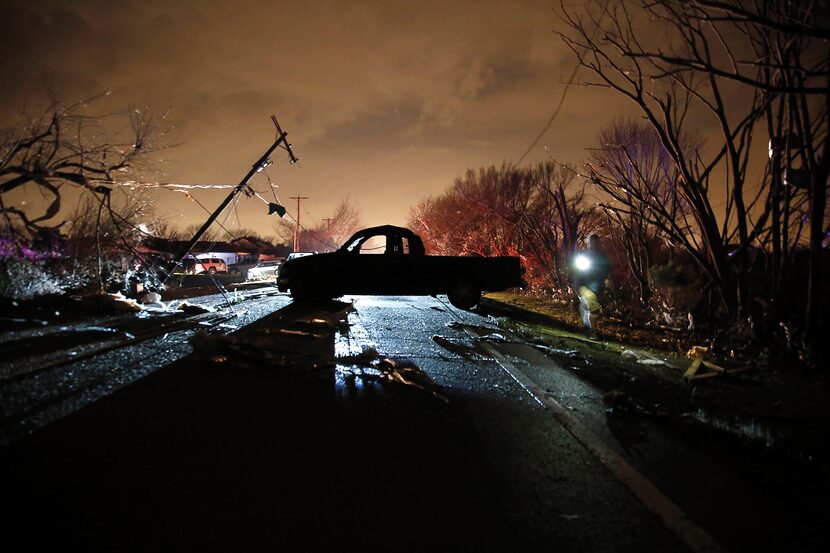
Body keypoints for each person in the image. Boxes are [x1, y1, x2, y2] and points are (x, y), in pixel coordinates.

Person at [570, 233, 612, 337]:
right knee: (593, 306)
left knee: (588, 306)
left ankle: (587, 326)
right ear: (588, 243)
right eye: (591, 242)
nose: (593, 245)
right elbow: (574, 268)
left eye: (595, 242)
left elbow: (608, 269)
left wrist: (609, 279)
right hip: (582, 284)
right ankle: (592, 332)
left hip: (596, 286)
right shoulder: (583, 255)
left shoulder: (602, 256)